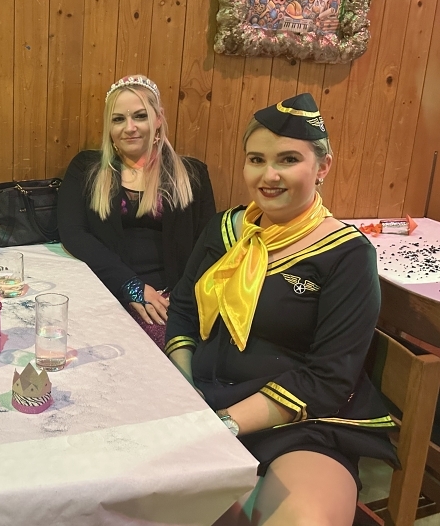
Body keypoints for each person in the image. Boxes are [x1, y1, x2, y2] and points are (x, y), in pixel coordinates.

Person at [164, 93, 397, 525]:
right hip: (203, 402)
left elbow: (328, 378)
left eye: (288, 159)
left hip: (302, 425)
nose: (269, 175)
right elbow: (182, 310)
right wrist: (185, 390)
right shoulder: (224, 227)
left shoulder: (347, 254)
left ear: (323, 167)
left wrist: (223, 424)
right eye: (256, 160)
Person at [58, 75, 215, 349]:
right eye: (118, 119)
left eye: (140, 116)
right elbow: (73, 233)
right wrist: (130, 286)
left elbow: (208, 246)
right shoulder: (86, 167)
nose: (129, 128)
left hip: (172, 301)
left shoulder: (192, 174)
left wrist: (180, 300)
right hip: (108, 291)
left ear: (158, 118)